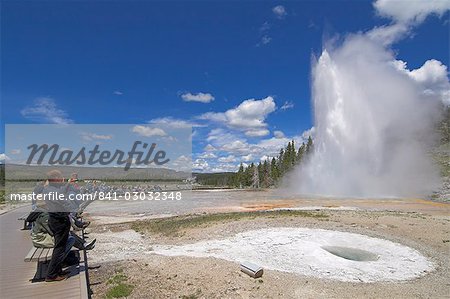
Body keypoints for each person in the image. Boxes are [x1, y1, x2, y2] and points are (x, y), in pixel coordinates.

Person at [42, 170, 74, 282]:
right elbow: (64, 201)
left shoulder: (50, 189)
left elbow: (61, 192)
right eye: (60, 177)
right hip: (59, 222)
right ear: (55, 178)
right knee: (59, 249)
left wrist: (68, 183)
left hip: (57, 220)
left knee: (60, 247)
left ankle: (58, 270)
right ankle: (51, 275)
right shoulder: (52, 191)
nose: (62, 178)